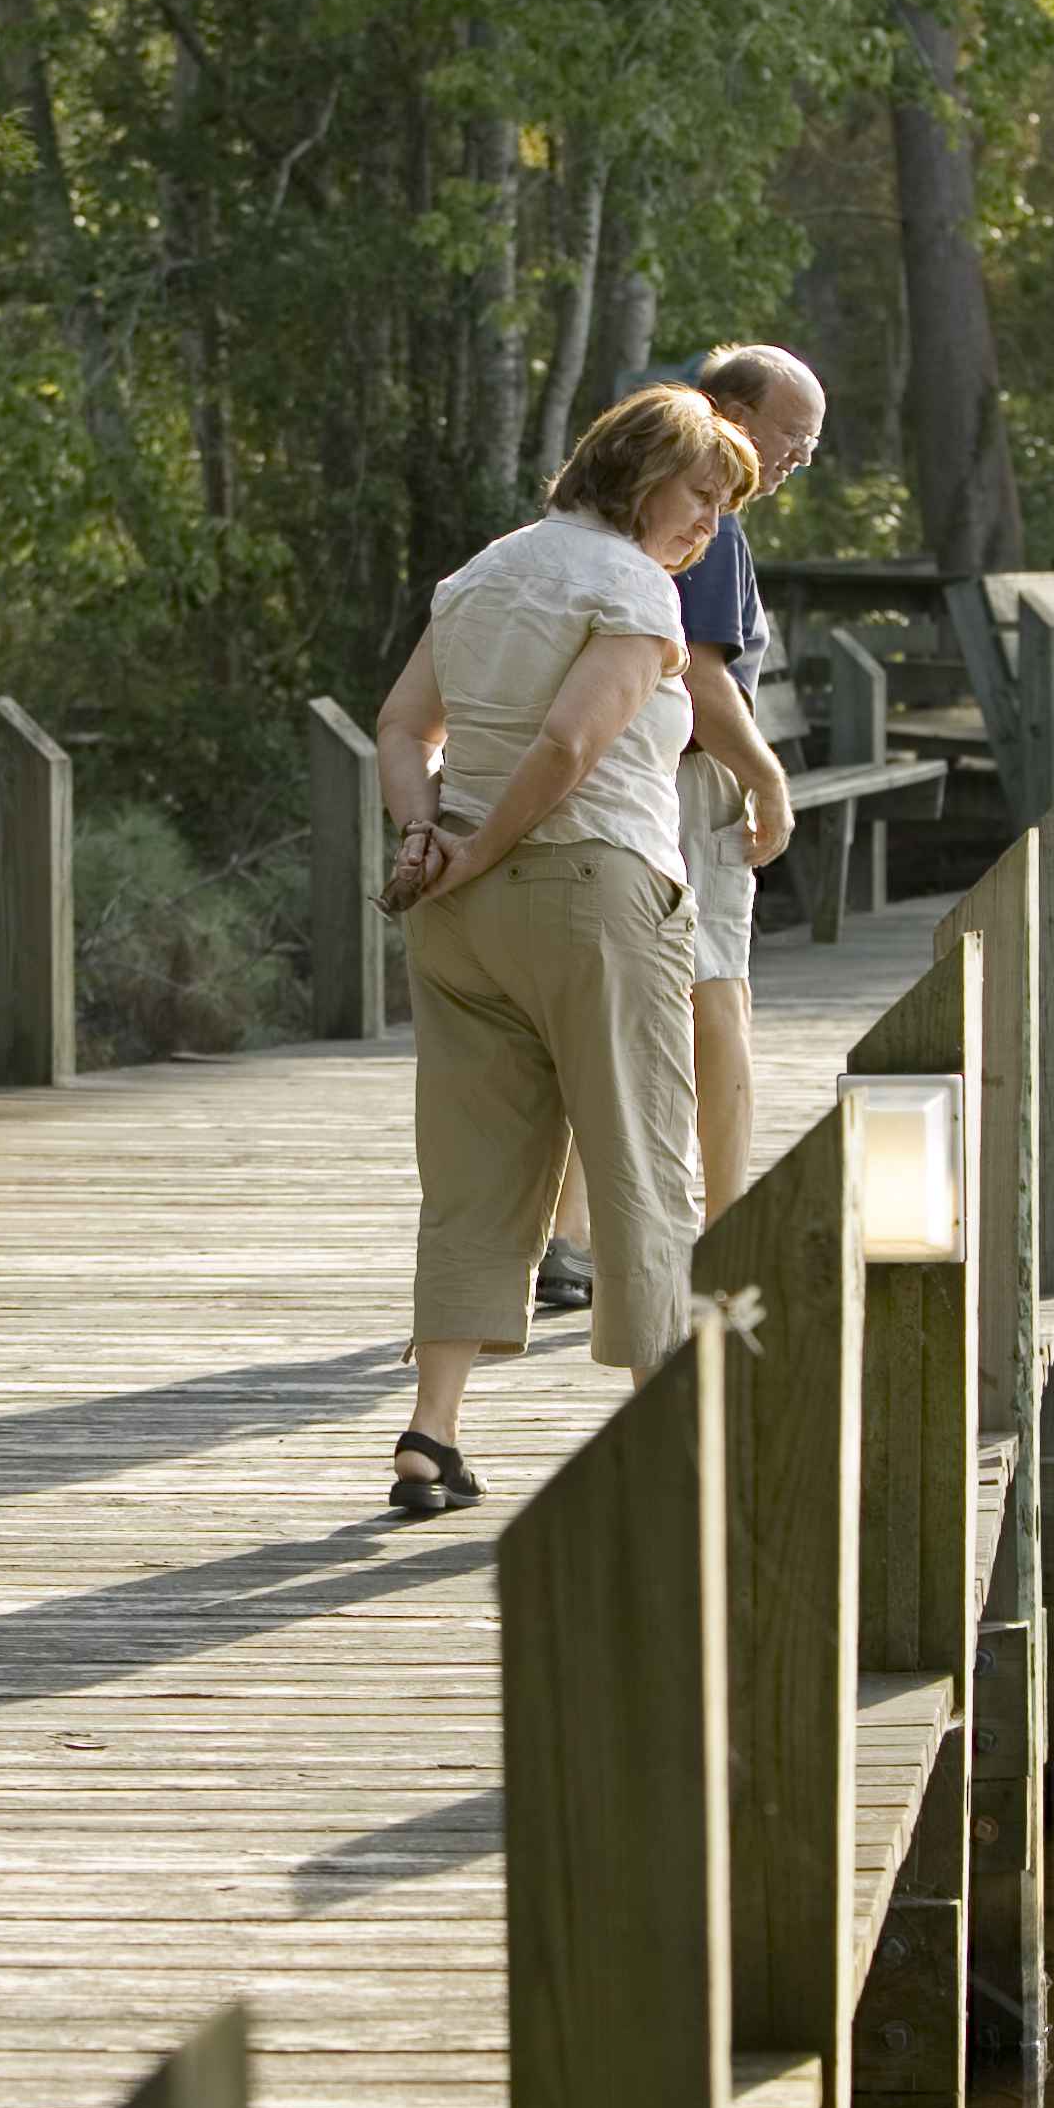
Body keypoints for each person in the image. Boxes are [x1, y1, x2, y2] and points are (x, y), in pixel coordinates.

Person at [368, 385, 761, 1513]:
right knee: (641, 1155)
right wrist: (483, 843)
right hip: (593, 894)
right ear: (638, 474)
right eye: (699, 495)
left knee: (473, 1169)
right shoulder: (635, 588)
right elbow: (573, 743)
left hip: (455, 914)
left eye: (724, 507)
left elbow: (403, 725)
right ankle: (669, 1435)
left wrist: (426, 839)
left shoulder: (484, 572)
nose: (708, 526)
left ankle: (430, 1432)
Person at [534, 343, 825, 1312]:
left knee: (615, 1011)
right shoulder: (714, 521)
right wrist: (768, 775)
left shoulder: (623, 510)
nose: (799, 455)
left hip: (622, 782)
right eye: (793, 433)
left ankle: (566, 1235)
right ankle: (730, 1234)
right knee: (719, 1000)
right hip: (685, 781)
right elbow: (702, 681)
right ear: (730, 410)